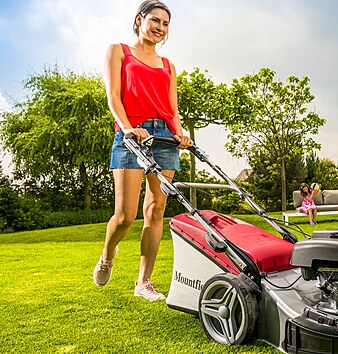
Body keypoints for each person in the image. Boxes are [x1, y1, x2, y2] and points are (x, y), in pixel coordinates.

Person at [93, 0, 193, 301]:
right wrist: (126, 128)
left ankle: (144, 282)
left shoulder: (168, 66)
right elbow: (113, 96)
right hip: (131, 134)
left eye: (165, 24)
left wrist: (180, 133)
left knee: (156, 209)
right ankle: (107, 255)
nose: (160, 28)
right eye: (155, 21)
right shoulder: (119, 51)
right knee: (125, 215)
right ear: (140, 20)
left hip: (163, 138)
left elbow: (172, 109)